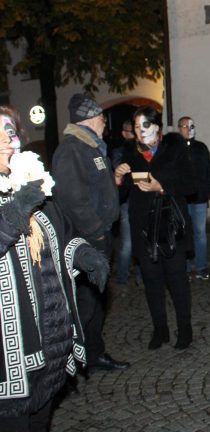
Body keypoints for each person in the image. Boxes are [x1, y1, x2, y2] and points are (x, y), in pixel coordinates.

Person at [0, 106, 109, 431]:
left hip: (49, 349)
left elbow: (60, 234)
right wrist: (16, 211)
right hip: (9, 362)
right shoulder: (23, 195)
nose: (6, 139)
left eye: (10, 131)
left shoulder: (29, 185)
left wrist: (83, 255)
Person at [51, 93, 129, 372]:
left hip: (100, 236)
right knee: (85, 303)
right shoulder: (72, 150)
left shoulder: (92, 147)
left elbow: (96, 188)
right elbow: (73, 199)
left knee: (96, 300)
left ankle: (94, 353)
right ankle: (71, 359)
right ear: (91, 119)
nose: (104, 123)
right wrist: (95, 232)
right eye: (101, 118)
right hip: (87, 241)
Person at [115, 106, 195, 350]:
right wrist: (118, 179)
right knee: (152, 281)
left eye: (145, 125)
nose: (141, 131)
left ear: (157, 126)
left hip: (171, 227)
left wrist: (161, 186)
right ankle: (160, 329)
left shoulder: (174, 147)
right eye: (136, 127)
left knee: (177, 281)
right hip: (144, 228)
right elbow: (122, 194)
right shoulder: (130, 153)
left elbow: (191, 184)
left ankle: (185, 329)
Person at [178, 116, 210, 281]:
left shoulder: (201, 147)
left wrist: (209, 188)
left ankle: (201, 267)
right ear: (179, 128)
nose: (188, 129)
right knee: (184, 233)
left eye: (191, 126)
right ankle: (185, 268)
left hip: (199, 198)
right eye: (185, 126)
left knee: (200, 234)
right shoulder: (175, 149)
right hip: (182, 199)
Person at [112, 120, 136, 287]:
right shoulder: (119, 152)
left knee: (142, 240)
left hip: (140, 200)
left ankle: (142, 274)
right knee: (127, 243)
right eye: (131, 131)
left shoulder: (142, 150)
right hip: (127, 201)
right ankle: (122, 276)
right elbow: (119, 172)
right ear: (124, 134)